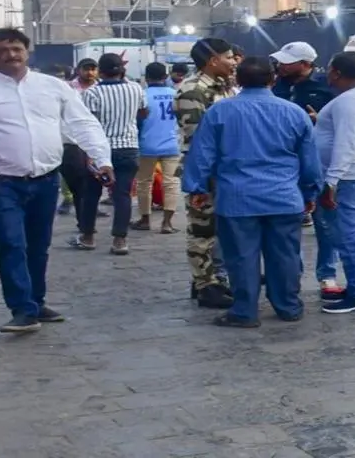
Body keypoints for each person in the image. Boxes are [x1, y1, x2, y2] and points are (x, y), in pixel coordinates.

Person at [0, 27, 113, 333]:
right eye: (1, 51)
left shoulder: (53, 87)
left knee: (38, 245)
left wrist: (101, 158)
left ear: (27, 51)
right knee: (11, 243)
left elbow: (82, 123)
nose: (10, 55)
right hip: (0, 182)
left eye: (15, 49)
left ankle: (36, 300)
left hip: (46, 179)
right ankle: (22, 308)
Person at [182, 56, 322, 328]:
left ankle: (245, 311)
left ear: (237, 80)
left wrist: (197, 188)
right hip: (284, 197)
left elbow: (202, 155)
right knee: (285, 256)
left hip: (237, 199)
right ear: (273, 79)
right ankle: (288, 307)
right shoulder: (295, 113)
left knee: (240, 258)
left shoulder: (219, 112)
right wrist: (310, 193)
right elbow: (310, 161)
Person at [312, 52, 355, 311]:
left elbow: (346, 143)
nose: (327, 74)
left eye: (329, 69)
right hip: (353, 175)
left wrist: (331, 182)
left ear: (337, 72)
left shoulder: (348, 102)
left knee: (349, 238)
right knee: (346, 236)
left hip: (348, 178)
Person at [175, 37, 237, 309]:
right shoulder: (193, 90)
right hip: (204, 170)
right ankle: (204, 286)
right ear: (213, 60)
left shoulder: (223, 87)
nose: (234, 62)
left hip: (223, 169)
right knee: (202, 230)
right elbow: (198, 139)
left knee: (219, 231)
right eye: (230, 57)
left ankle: (213, 280)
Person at [73, 53, 146, 254]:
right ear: (122, 69)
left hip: (100, 151)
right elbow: (143, 113)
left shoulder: (92, 94)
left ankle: (88, 237)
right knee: (122, 195)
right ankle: (120, 240)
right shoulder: (135, 89)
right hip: (128, 148)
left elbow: (88, 124)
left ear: (100, 71)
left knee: (91, 194)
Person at [133, 62, 181, 234]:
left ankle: (145, 220)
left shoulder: (142, 95)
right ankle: (167, 223)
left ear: (146, 77)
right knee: (172, 183)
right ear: (165, 76)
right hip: (172, 144)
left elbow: (137, 121)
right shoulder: (175, 94)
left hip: (147, 145)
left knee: (144, 183)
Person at [270, 41, 333, 119]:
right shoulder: (273, 82)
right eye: (280, 61)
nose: (279, 66)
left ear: (305, 64)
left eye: (286, 62)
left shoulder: (328, 83)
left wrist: (320, 120)